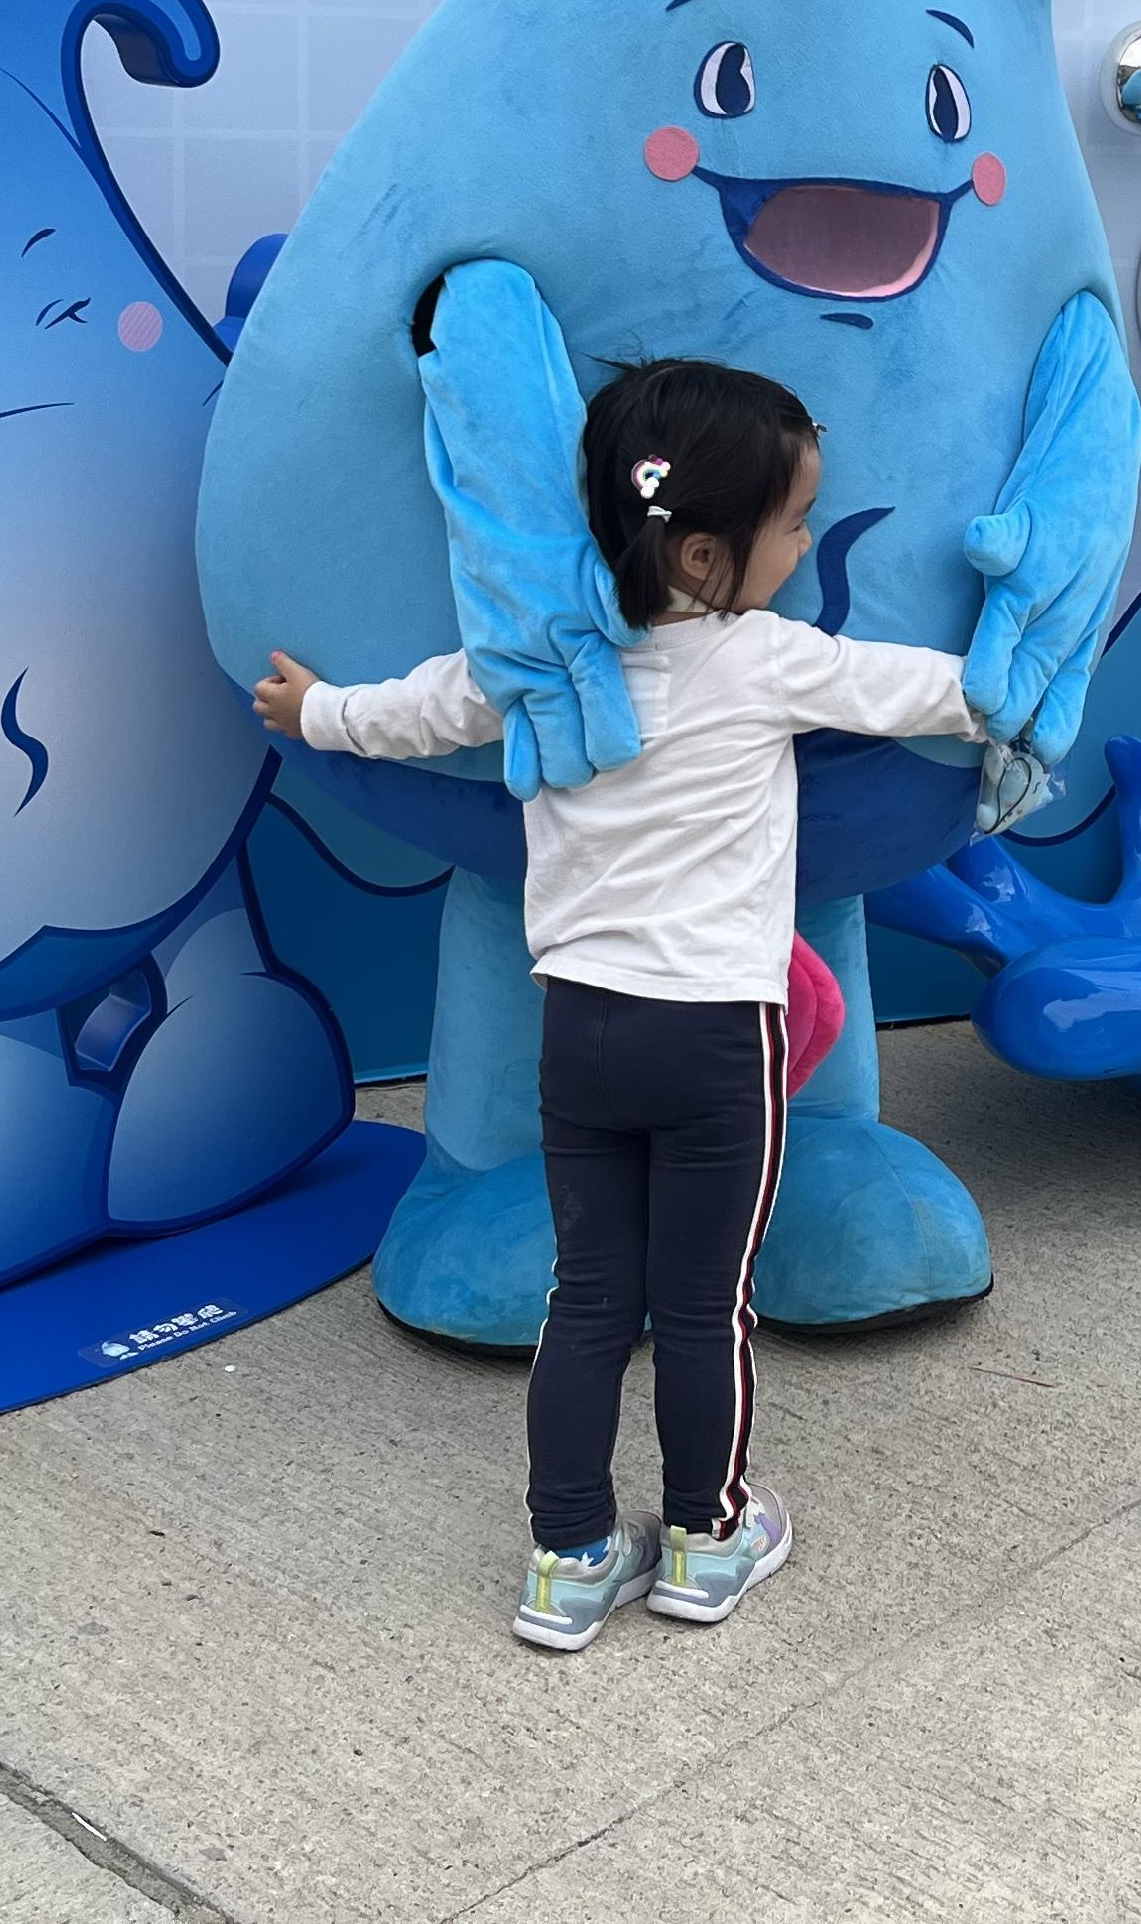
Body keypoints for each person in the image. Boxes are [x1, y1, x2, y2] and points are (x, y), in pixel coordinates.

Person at [252, 358, 993, 1651]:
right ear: (708, 555)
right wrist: (1034, 674)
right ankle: (708, 1539)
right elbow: (929, 690)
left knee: (589, 1300)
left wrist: (314, 709)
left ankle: (569, 1557)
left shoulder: (542, 660)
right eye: (794, 523)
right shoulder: (771, 661)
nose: (808, 543)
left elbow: (421, 710)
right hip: (716, 1041)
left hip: (581, 1036)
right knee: (705, 1308)